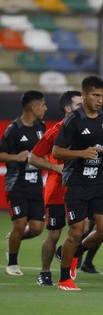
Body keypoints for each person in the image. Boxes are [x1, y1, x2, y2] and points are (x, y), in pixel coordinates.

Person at [52, 76, 103, 290]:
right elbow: (57, 151)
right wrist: (81, 153)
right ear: (84, 95)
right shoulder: (73, 120)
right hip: (77, 181)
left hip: (99, 181)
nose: (101, 100)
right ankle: (65, 278)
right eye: (96, 95)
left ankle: (76, 254)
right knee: (76, 230)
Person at [29, 91, 82, 286]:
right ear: (68, 108)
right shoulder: (55, 131)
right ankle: (44, 272)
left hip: (81, 188)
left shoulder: (88, 126)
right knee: (54, 233)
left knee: (85, 227)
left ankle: (65, 254)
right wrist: (54, 167)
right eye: (78, 105)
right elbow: (32, 157)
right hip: (57, 190)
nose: (83, 108)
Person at [0, 90, 47, 276]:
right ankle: (12, 263)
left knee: (36, 228)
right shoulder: (14, 129)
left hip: (35, 185)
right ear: (33, 107)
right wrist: (15, 157)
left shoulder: (41, 127)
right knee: (20, 224)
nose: (45, 108)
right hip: (16, 185)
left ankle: (13, 239)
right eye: (43, 105)